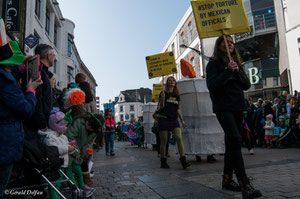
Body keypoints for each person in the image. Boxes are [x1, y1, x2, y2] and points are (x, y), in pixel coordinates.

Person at [206, 35, 262, 199]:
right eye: (226, 42)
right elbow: (212, 86)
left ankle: (227, 179)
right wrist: (227, 71)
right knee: (236, 140)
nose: (230, 44)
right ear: (219, 45)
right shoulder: (213, 65)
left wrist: (237, 71)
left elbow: (246, 84)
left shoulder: (237, 63)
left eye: (232, 42)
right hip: (223, 107)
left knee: (231, 142)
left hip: (238, 106)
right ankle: (245, 184)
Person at [0, 40, 42, 198]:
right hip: (5, 143)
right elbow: (24, 109)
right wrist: (31, 91)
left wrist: (21, 66)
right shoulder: (5, 81)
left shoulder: (4, 76)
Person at [38, 108, 75, 199]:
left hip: (61, 165)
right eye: (64, 126)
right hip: (55, 165)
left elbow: (65, 148)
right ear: (57, 126)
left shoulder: (63, 137)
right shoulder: (50, 137)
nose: (66, 128)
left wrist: (72, 149)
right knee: (55, 185)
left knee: (57, 185)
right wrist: (67, 148)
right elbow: (53, 150)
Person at [64, 112, 103, 198]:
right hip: (68, 150)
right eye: (88, 124)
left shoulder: (95, 132)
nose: (88, 127)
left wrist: (87, 152)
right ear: (88, 120)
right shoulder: (79, 122)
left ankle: (81, 185)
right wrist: (76, 152)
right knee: (69, 170)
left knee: (78, 169)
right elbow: (70, 137)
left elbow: (88, 143)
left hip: (77, 154)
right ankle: (74, 188)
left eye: (91, 128)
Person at [157, 76, 190, 169]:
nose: (172, 82)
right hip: (163, 119)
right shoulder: (163, 93)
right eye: (170, 81)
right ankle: (163, 161)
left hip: (173, 119)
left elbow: (178, 108)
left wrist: (182, 120)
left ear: (175, 83)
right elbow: (161, 107)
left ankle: (183, 161)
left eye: (173, 80)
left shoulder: (177, 95)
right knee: (164, 142)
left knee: (179, 138)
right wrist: (163, 99)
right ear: (167, 83)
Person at [23, 44, 55, 132]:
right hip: (35, 126)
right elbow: (37, 100)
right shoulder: (37, 72)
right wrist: (42, 124)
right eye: (53, 55)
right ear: (48, 56)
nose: (54, 59)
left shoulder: (41, 71)